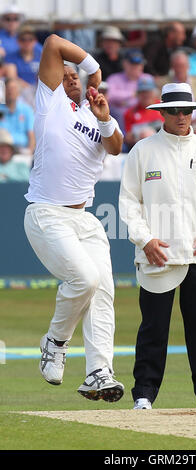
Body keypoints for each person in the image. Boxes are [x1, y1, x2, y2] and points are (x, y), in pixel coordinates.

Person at [119, 83, 196, 410]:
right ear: (162, 113)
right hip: (156, 255)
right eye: (175, 111)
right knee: (153, 328)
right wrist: (145, 240)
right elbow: (129, 203)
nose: (183, 116)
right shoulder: (143, 151)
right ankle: (143, 394)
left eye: (187, 110)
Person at [23, 34, 124, 402]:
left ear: (84, 86)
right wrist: (91, 66)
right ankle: (55, 341)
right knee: (84, 279)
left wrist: (106, 118)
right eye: (65, 74)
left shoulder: (96, 113)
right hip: (46, 213)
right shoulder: (50, 104)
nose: (70, 77)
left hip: (85, 219)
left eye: (75, 76)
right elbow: (51, 43)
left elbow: (115, 148)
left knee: (103, 292)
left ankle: (98, 372)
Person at [157, 49, 196, 122]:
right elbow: (160, 105)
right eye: (177, 66)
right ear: (172, 67)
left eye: (182, 65)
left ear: (188, 66)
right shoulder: (163, 84)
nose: (180, 69)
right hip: (173, 122)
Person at [107, 49, 153, 131]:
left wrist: (122, 101)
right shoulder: (114, 78)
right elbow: (109, 96)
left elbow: (151, 99)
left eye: (138, 64)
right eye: (132, 63)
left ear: (142, 65)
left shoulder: (147, 78)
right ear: (124, 63)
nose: (135, 66)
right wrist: (133, 94)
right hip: (120, 117)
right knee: (119, 113)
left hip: (142, 116)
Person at [124, 76, 164, 149]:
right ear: (138, 94)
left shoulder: (163, 108)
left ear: (154, 92)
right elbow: (128, 137)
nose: (146, 95)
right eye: (142, 92)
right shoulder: (130, 112)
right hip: (140, 147)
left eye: (148, 92)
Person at [0, 77, 35, 154]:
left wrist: (29, 152)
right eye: (8, 89)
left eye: (13, 88)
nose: (11, 92)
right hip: (3, 152)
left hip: (22, 151)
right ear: (4, 91)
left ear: (18, 92)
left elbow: (31, 135)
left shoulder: (27, 110)